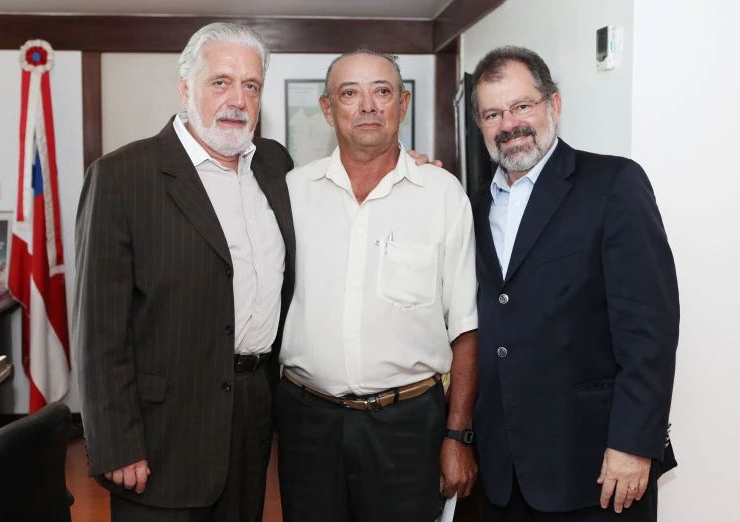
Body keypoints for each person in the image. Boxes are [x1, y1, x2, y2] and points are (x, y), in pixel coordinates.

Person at [73, 23, 295, 522]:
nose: (237, 99)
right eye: (221, 82)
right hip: (160, 430)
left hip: (252, 409)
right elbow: (98, 331)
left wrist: (403, 166)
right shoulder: (121, 176)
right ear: (185, 88)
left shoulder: (275, 167)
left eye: (251, 85)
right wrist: (115, 443)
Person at [469, 46, 679, 521]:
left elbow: (650, 330)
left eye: (522, 106)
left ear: (554, 106)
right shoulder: (476, 206)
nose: (509, 124)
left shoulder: (613, 184)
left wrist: (633, 443)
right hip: (506, 468)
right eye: (493, 113)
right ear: (481, 126)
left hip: (597, 466)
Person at [277, 48, 479, 522]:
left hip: (408, 427)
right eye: (350, 93)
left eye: (382, 91)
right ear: (328, 109)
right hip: (308, 424)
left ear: (402, 104)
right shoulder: (290, 192)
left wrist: (457, 435)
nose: (368, 105)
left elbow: (466, 328)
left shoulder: (442, 194)